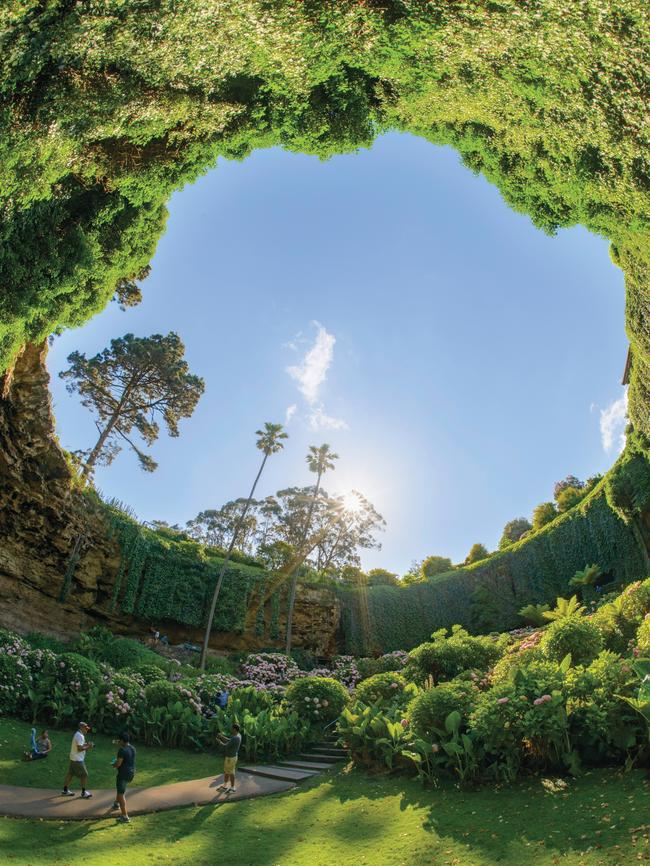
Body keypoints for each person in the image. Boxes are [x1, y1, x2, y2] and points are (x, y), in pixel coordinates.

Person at [61, 721, 93, 798]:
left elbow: (80, 745)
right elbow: (79, 748)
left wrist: (86, 744)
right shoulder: (80, 736)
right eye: (85, 728)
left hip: (73, 757)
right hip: (78, 759)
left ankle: (65, 790)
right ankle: (83, 792)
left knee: (70, 774)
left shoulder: (78, 734)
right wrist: (89, 747)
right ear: (81, 728)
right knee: (84, 775)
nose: (87, 730)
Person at [111, 731, 136, 824]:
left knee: (121, 794)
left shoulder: (122, 750)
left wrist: (114, 764)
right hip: (131, 773)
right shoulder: (132, 748)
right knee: (120, 789)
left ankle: (125, 816)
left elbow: (118, 764)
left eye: (119, 740)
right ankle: (116, 804)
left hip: (123, 774)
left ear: (122, 740)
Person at [216, 723, 241, 794]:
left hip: (231, 758)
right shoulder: (238, 735)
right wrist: (222, 736)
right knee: (227, 771)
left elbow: (225, 746)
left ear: (234, 729)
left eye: (232, 728)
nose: (231, 730)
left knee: (231, 773)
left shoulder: (235, 738)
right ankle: (225, 786)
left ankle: (233, 788)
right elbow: (230, 740)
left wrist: (219, 741)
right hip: (230, 757)